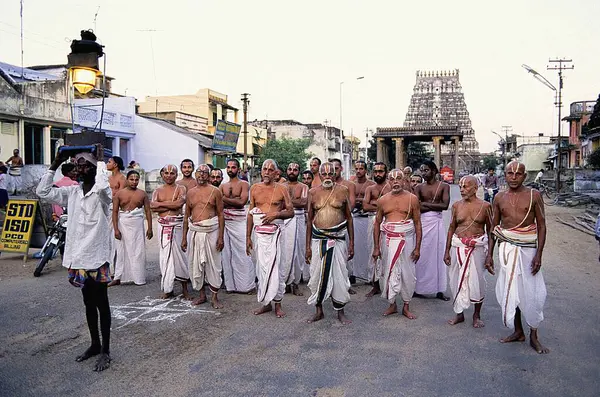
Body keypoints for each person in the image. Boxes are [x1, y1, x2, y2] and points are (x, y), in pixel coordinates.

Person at [36, 148, 113, 372]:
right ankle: (94, 344)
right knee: (88, 304)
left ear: (94, 169)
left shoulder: (102, 195)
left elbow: (103, 188)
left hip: (97, 258)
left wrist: (99, 162)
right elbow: (43, 191)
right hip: (79, 258)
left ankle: (106, 351)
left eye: (85, 165)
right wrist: (55, 164)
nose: (80, 168)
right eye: (78, 165)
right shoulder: (72, 193)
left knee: (102, 305)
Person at [487, 161, 549, 354]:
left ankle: (534, 335)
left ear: (524, 176)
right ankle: (518, 331)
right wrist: (489, 254)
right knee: (511, 289)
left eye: (518, 174)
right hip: (507, 249)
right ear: (504, 175)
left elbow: (541, 225)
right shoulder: (498, 197)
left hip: (528, 249)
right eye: (510, 173)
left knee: (532, 291)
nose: (513, 177)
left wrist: (538, 254)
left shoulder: (534, 195)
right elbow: (494, 228)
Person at [305, 162, 354, 324]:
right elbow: (309, 219)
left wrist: (352, 243)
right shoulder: (312, 192)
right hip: (318, 240)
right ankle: (318, 310)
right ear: (319, 175)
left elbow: (348, 218)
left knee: (340, 276)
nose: (327, 177)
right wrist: (307, 247)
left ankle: (340, 311)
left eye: (330, 174)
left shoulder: (343, 190)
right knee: (316, 275)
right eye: (324, 174)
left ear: (335, 174)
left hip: (338, 239)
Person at [443, 175, 493, 328]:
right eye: (460, 187)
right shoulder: (457, 205)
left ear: (476, 188)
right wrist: (446, 251)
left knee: (477, 281)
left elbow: (491, 231)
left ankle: (476, 315)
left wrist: (490, 255)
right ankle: (459, 314)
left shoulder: (485, 206)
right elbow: (451, 228)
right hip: (458, 246)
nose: (462, 189)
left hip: (476, 248)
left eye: (466, 186)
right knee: (456, 279)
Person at [246, 159, 293, 318]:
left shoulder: (282, 189)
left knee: (277, 268)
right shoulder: (254, 188)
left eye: (270, 169)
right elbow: (251, 214)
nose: (266, 172)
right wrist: (248, 237)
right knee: (261, 268)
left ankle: (278, 304)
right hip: (259, 234)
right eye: (264, 169)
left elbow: (291, 212)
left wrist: (276, 214)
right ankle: (266, 303)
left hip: (277, 232)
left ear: (276, 173)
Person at [372, 169, 421, 319]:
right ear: (388, 181)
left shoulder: (412, 199)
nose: (395, 182)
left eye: (398, 178)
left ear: (404, 180)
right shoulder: (383, 200)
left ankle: (406, 305)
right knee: (388, 271)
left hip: (406, 241)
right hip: (388, 242)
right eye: (392, 179)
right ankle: (392, 304)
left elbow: (418, 224)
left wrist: (418, 248)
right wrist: (376, 248)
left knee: (408, 273)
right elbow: (377, 223)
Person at [182, 165, 225, 309]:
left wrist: (221, 237)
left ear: (208, 175)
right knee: (196, 265)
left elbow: (220, 215)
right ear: (195, 174)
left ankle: (214, 297)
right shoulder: (190, 193)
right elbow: (187, 216)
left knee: (214, 265)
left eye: (205, 173)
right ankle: (201, 295)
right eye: (199, 173)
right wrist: (183, 238)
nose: (201, 175)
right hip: (195, 231)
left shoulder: (216, 191)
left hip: (211, 231)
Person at [150, 164, 191, 299]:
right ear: (162, 175)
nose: (169, 176)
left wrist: (161, 204)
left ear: (176, 174)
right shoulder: (157, 191)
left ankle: (185, 289)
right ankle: (168, 288)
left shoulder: (181, 188)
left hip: (177, 226)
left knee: (180, 257)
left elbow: (179, 205)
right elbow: (152, 207)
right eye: (166, 173)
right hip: (163, 226)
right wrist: (169, 205)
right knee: (165, 258)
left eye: (172, 173)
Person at [414, 160, 451, 300]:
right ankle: (418, 288)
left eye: (426, 170)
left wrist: (425, 204)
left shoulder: (444, 186)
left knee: (437, 256)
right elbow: (417, 207)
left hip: (436, 223)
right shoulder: (418, 187)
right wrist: (432, 205)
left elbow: (445, 205)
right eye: (422, 170)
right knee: (421, 255)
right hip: (422, 223)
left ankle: (439, 290)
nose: (423, 173)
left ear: (434, 171)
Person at [109, 170, 153, 287]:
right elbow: (115, 212)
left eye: (136, 179)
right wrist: (116, 229)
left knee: (138, 250)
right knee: (121, 251)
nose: (134, 182)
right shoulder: (119, 194)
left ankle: (138, 277)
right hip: (123, 223)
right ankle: (118, 277)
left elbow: (148, 211)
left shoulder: (142, 194)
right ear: (127, 180)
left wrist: (150, 228)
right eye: (132, 179)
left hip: (137, 225)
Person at [220, 159, 255, 294]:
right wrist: (226, 200)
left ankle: (247, 286)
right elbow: (220, 204)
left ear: (238, 169)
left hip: (239, 221)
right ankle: (231, 286)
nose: (230, 169)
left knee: (243, 252)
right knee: (227, 254)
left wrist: (223, 198)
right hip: (226, 221)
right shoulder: (222, 186)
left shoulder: (244, 184)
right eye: (228, 167)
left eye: (233, 167)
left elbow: (241, 202)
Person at [363, 162, 391, 297]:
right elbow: (365, 207)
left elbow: (392, 208)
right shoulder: (370, 189)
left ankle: (387, 283)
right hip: (372, 221)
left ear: (386, 172)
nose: (378, 174)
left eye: (381, 171)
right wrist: (381, 208)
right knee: (373, 251)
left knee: (387, 253)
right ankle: (375, 285)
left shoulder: (391, 188)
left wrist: (375, 204)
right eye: (375, 171)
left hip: (388, 222)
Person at [281, 162, 308, 295]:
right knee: (285, 251)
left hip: (299, 218)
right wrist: (292, 202)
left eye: (295, 170)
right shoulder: (281, 186)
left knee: (298, 251)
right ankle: (285, 282)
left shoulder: (303, 187)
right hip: (285, 219)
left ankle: (295, 283)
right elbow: (280, 203)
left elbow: (303, 203)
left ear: (299, 172)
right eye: (290, 169)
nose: (292, 171)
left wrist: (287, 201)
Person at [351, 160, 376, 283]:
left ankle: (370, 275)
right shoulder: (351, 184)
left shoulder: (371, 184)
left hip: (368, 218)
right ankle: (353, 274)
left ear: (366, 170)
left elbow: (374, 201)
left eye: (361, 169)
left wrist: (360, 200)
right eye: (356, 168)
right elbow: (349, 201)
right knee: (354, 246)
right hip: (355, 219)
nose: (358, 171)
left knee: (368, 247)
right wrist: (363, 200)